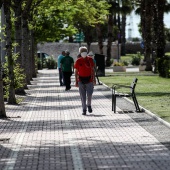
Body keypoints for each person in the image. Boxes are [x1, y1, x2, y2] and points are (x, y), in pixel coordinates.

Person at [74, 47, 96, 115]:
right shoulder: (78, 61)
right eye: (82, 51)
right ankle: (84, 109)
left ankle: (89, 105)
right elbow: (76, 71)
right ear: (80, 53)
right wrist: (76, 81)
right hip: (81, 80)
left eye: (85, 51)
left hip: (89, 80)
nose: (83, 52)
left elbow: (93, 70)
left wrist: (94, 79)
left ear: (87, 52)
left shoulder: (90, 60)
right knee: (82, 96)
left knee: (89, 94)